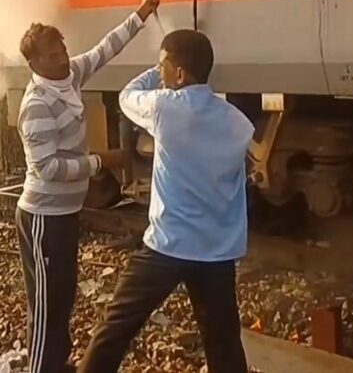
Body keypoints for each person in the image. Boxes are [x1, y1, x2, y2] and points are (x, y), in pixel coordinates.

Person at [77, 30, 254, 373]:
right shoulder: (238, 123)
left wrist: (150, 69)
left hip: (168, 246)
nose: (160, 73)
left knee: (116, 326)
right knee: (224, 342)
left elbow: (128, 96)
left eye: (163, 66)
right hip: (217, 252)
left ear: (179, 74)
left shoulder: (164, 108)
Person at [16, 0, 159, 373]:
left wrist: (140, 14)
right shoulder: (36, 105)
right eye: (51, 56)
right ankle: (43, 369)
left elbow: (103, 50)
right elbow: (47, 168)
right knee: (47, 303)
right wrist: (100, 161)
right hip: (43, 216)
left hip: (64, 213)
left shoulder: (70, 75)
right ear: (33, 63)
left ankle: (56, 363)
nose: (62, 58)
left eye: (62, 49)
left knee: (61, 297)